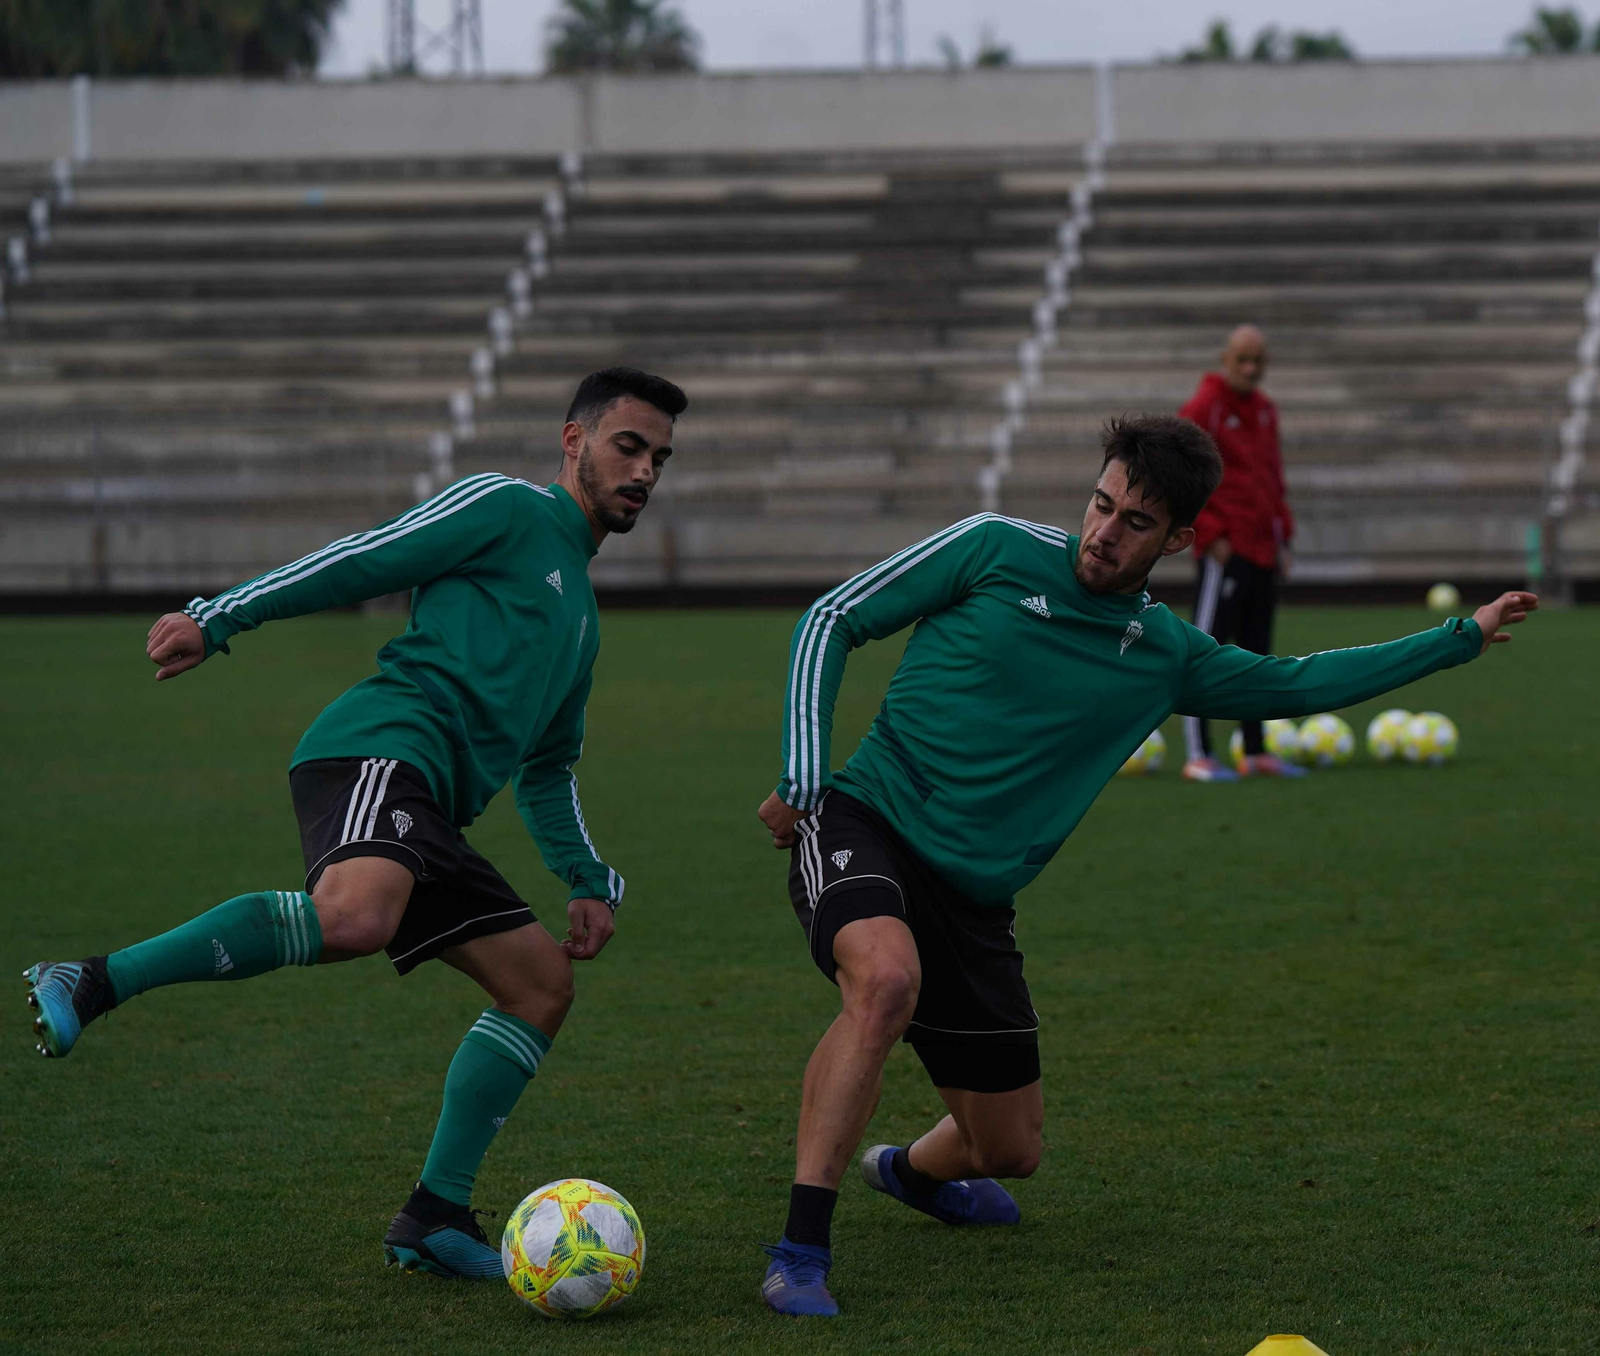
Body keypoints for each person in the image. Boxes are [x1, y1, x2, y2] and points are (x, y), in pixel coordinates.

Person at [754, 413, 1535, 1317]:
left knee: (1010, 1151)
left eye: (1134, 522)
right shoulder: (992, 548)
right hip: (868, 817)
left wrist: (1459, 639)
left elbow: (1298, 684)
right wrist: (805, 779)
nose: (1103, 531)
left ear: (1179, 539)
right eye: (1101, 503)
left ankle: (911, 1174)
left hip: (975, 898)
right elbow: (832, 617)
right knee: (885, 982)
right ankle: (799, 1251)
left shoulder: (1165, 653)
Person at [24, 367, 686, 1280]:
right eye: (628, 445)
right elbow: (366, 555)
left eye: (659, 457)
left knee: (539, 987)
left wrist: (583, 874)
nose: (645, 470)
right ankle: (91, 980)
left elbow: (549, 767)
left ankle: (433, 1215)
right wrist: (220, 617)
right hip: (381, 746)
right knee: (356, 917)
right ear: (573, 442)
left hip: (431, 811)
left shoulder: (583, 616)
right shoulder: (504, 509)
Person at [1179, 324, 1299, 781]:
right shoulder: (1203, 408)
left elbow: (1272, 479)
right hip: (1225, 553)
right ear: (1224, 359)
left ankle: (1254, 751)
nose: (1251, 369)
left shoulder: (1266, 411)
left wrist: (1282, 536)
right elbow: (1181, 477)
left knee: (1256, 656)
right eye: (1243, 360)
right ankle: (1197, 754)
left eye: (1258, 361)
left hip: (1262, 550)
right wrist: (1209, 536)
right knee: (1204, 651)